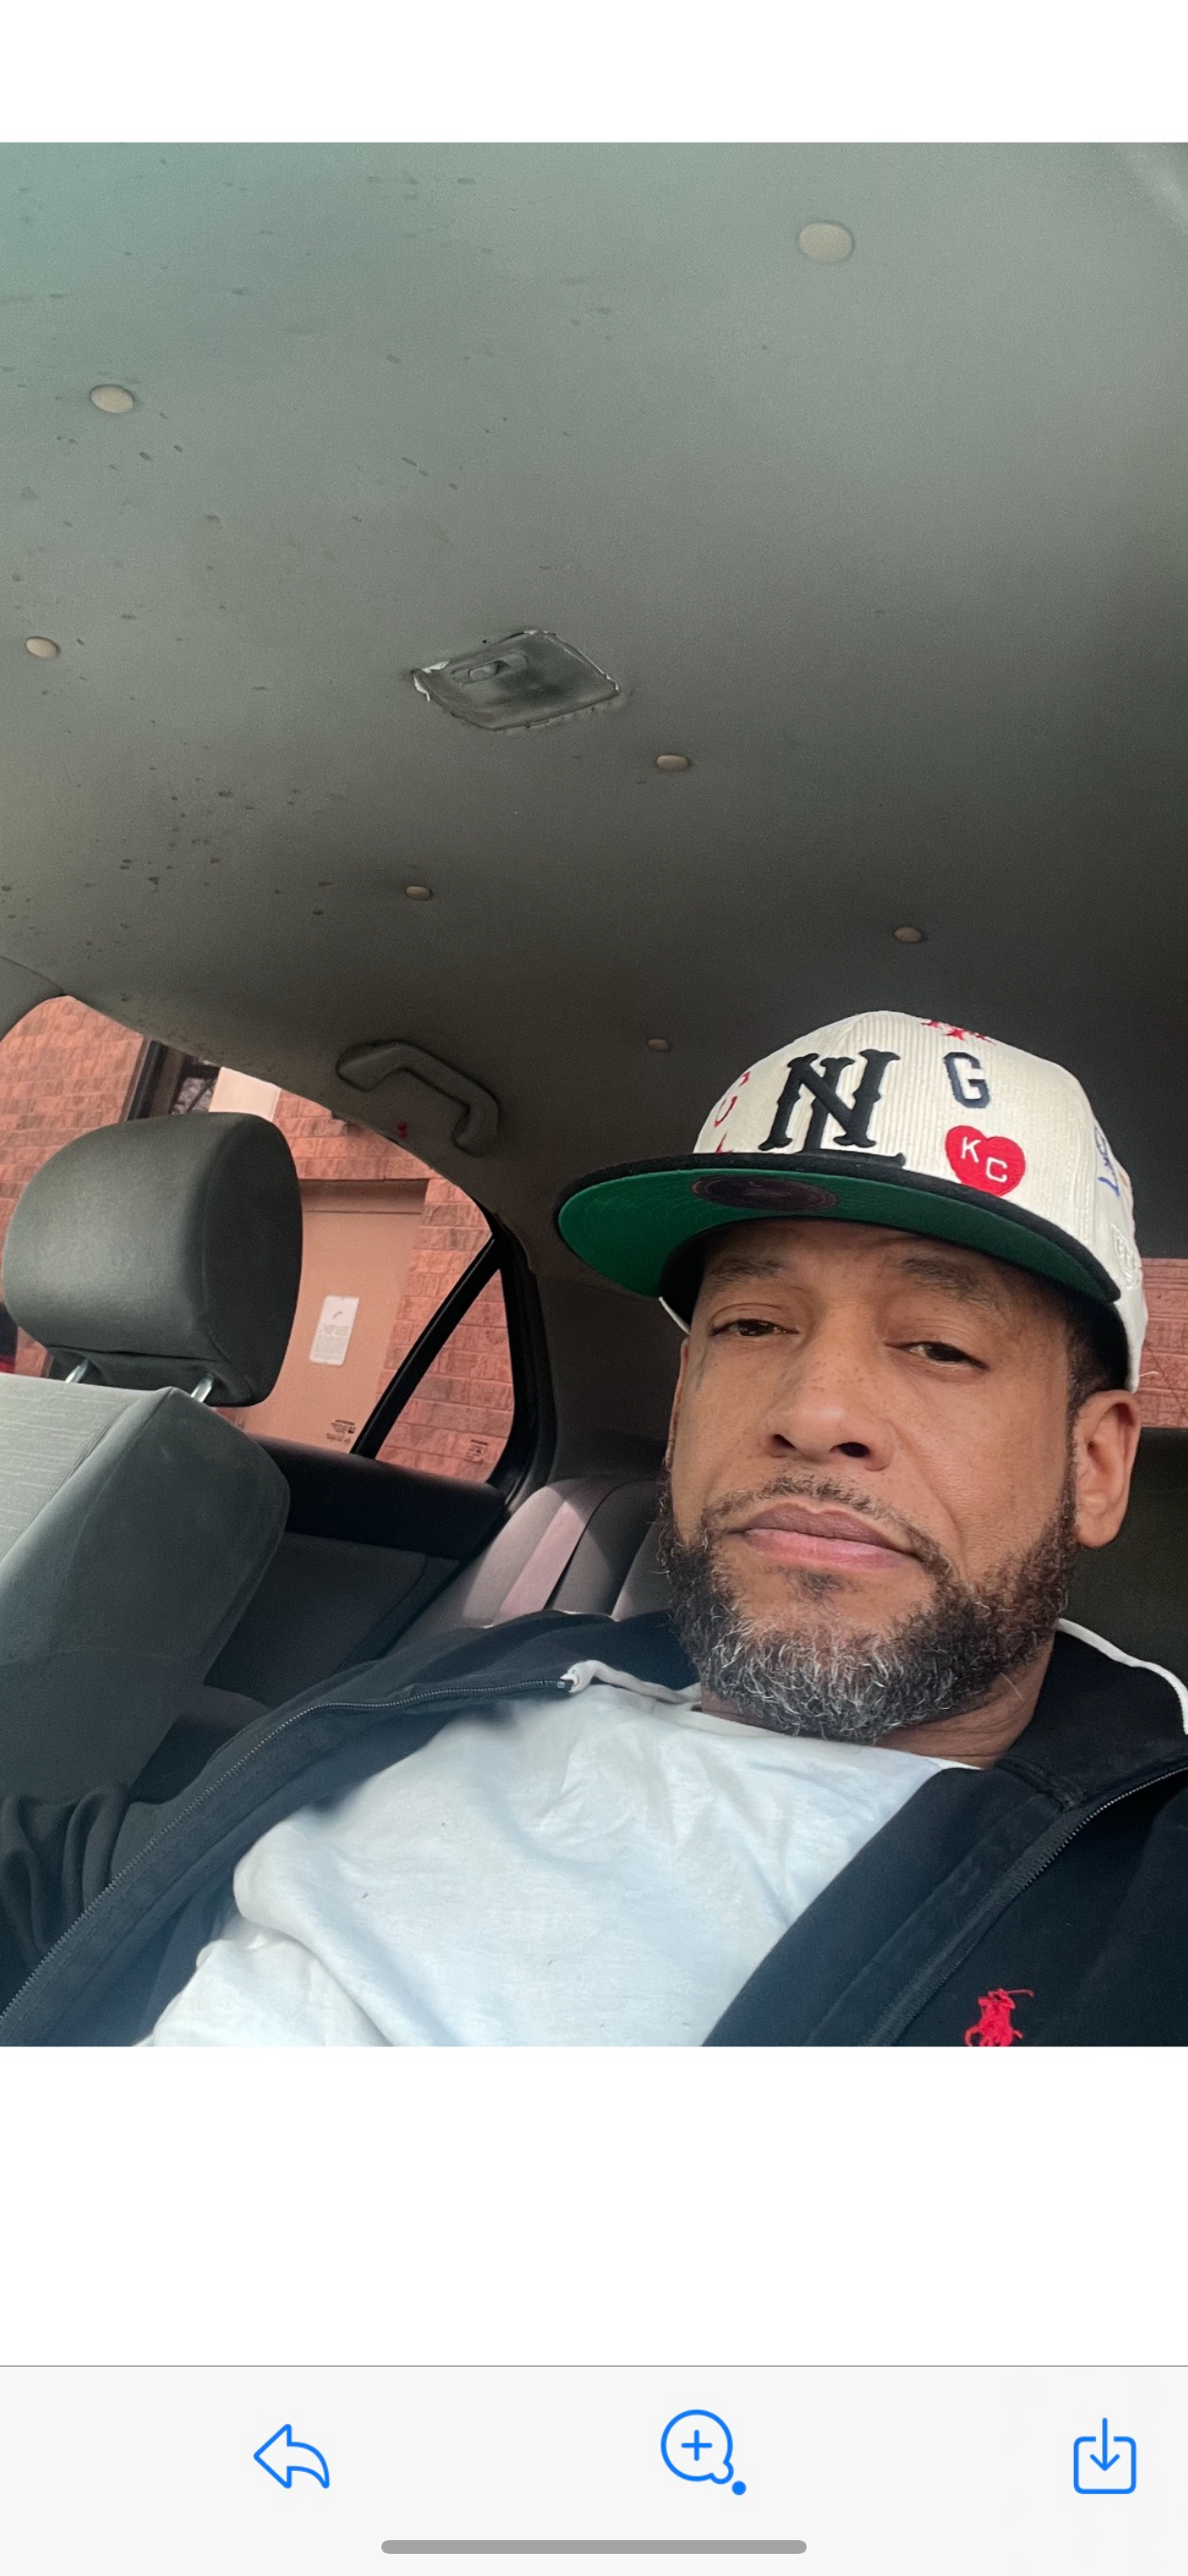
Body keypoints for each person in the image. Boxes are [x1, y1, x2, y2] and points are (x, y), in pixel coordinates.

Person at [0, 1007, 1183, 2048]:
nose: (814, 1413)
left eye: (939, 1345)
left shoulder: (1137, 1900)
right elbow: (84, 1887)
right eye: (752, 1326)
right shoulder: (484, 1680)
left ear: (1095, 1466)